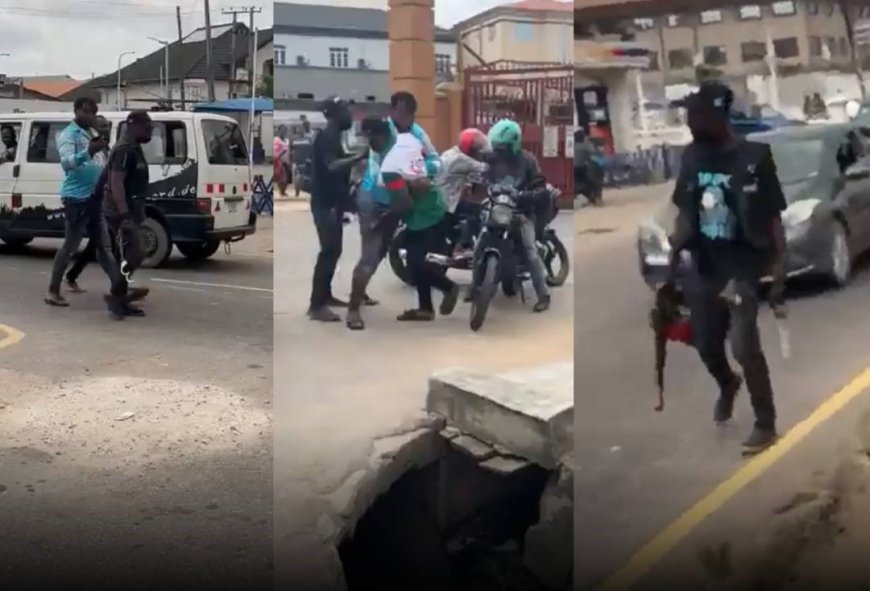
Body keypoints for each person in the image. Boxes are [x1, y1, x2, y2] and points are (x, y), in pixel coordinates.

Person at [666, 80, 787, 454]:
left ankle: (765, 423)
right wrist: (673, 261)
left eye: (696, 114)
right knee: (705, 344)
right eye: (688, 114)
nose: (689, 121)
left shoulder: (754, 158)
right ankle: (726, 384)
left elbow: (773, 219)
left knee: (744, 344)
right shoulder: (690, 157)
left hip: (743, 267)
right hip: (704, 266)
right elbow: (686, 211)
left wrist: (779, 270)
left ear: (717, 115)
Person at [381, 132, 460, 322]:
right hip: (424, 214)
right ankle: (425, 309)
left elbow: (415, 189)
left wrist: (391, 212)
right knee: (416, 262)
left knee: (418, 262)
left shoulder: (397, 161)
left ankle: (448, 287)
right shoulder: (405, 148)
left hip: (427, 217)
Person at [483, 119, 551, 313]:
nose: (498, 150)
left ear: (514, 143)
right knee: (480, 240)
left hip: (521, 212)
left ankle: (543, 295)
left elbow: (540, 188)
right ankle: (476, 286)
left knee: (530, 251)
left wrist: (523, 196)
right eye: (495, 146)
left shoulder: (528, 161)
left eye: (502, 147)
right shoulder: (490, 159)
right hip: (497, 208)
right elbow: (482, 177)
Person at [308, 96, 366, 322]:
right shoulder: (326, 137)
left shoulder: (335, 136)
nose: (350, 115)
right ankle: (316, 305)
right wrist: (358, 157)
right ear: (333, 114)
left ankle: (326, 295)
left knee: (335, 250)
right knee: (329, 251)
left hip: (334, 203)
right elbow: (331, 166)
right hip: (325, 203)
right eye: (345, 111)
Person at [45, 97, 107, 307]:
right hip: (76, 199)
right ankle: (53, 290)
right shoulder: (68, 135)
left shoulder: (91, 133)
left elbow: (100, 162)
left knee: (104, 245)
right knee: (70, 246)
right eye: (88, 112)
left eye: (94, 112)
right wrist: (88, 152)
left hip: (94, 197)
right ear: (78, 111)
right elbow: (67, 163)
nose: (92, 116)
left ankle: (120, 286)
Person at [345, 116, 396, 330]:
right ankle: (353, 308)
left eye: (370, 137)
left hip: (395, 205)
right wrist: (360, 184)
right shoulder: (374, 150)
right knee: (369, 257)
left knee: (379, 254)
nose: (368, 141)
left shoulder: (396, 149)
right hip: (372, 205)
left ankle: (361, 293)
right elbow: (365, 176)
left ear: (381, 136)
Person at [102, 111, 154, 320]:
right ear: (134, 126)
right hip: (120, 213)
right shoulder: (124, 150)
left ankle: (119, 296)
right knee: (136, 252)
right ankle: (117, 297)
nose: (150, 131)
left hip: (131, 211)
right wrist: (124, 215)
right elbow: (116, 183)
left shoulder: (134, 147)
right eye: (147, 127)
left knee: (129, 255)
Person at [63, 115, 111, 293]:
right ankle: (119, 286)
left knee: (101, 244)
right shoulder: (89, 147)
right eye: (102, 126)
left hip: (102, 200)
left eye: (107, 126)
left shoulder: (107, 147)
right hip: (85, 200)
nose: (106, 129)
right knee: (78, 244)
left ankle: (72, 275)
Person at [437, 128, 490, 258]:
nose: (480, 152)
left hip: (440, 198)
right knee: (479, 212)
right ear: (471, 149)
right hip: (447, 202)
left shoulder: (450, 153)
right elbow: (484, 168)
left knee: (472, 208)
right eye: (478, 149)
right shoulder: (461, 159)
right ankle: (462, 246)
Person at [273, 125, 290, 196]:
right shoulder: (276, 140)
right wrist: (281, 154)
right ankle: (281, 191)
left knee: (287, 177)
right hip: (279, 161)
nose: (283, 132)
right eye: (282, 130)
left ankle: (283, 190)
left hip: (287, 161)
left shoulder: (287, 140)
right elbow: (275, 151)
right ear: (279, 131)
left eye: (284, 130)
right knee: (281, 177)